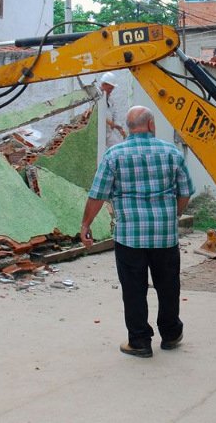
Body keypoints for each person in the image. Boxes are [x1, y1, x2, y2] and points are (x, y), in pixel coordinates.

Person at [80, 106, 195, 358]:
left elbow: (97, 195)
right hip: (165, 235)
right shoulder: (171, 152)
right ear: (151, 124)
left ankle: (140, 341)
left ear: (129, 127)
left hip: (129, 236)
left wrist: (86, 225)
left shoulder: (114, 155)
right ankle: (171, 333)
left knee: (133, 289)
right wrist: (173, 214)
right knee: (168, 286)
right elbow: (185, 191)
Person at [99, 72, 127, 148]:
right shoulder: (95, 97)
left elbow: (114, 114)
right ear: (104, 84)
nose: (111, 90)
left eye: (112, 88)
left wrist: (120, 128)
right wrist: (109, 121)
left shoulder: (110, 100)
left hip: (107, 132)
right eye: (110, 88)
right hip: (97, 133)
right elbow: (95, 113)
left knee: (118, 148)